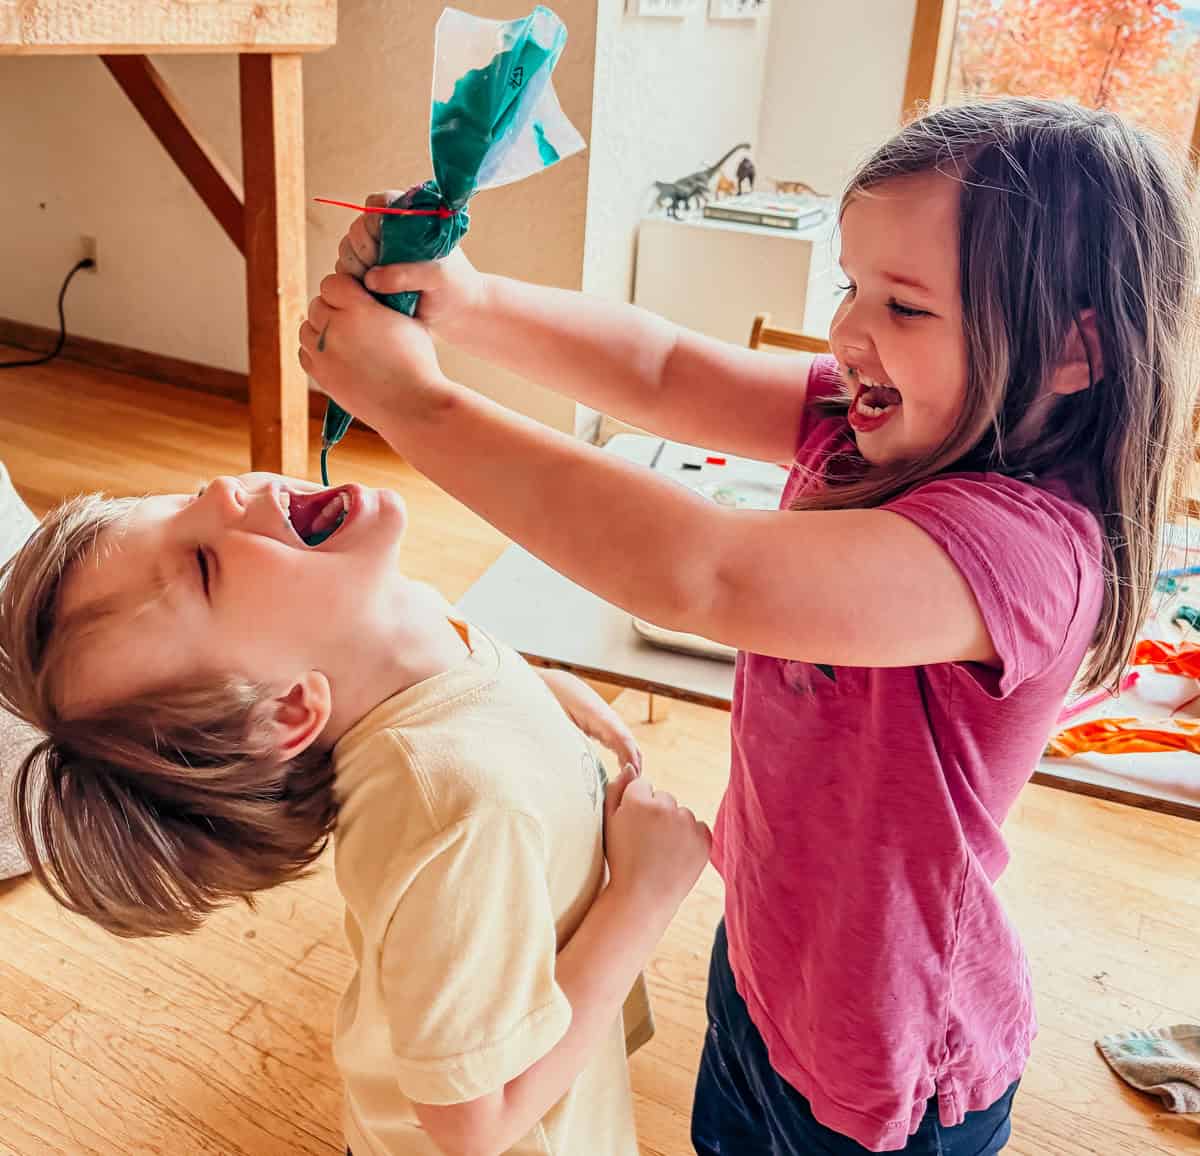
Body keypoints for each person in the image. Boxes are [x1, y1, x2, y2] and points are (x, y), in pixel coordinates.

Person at [301, 99, 1198, 1153]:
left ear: (1072, 350)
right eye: (851, 286)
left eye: (906, 307)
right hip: (767, 965)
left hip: (891, 1058)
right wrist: (465, 298)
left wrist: (418, 407)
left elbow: (704, 573)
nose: (849, 335)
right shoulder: (873, 424)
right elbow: (662, 370)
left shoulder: (1027, 548)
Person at [0, 471, 711, 1156]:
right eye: (204, 567)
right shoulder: (459, 814)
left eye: (187, 500)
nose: (220, 490)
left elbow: (448, 660)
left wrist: (529, 686)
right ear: (287, 709)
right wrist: (642, 898)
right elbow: (474, 1125)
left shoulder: (392, 624)